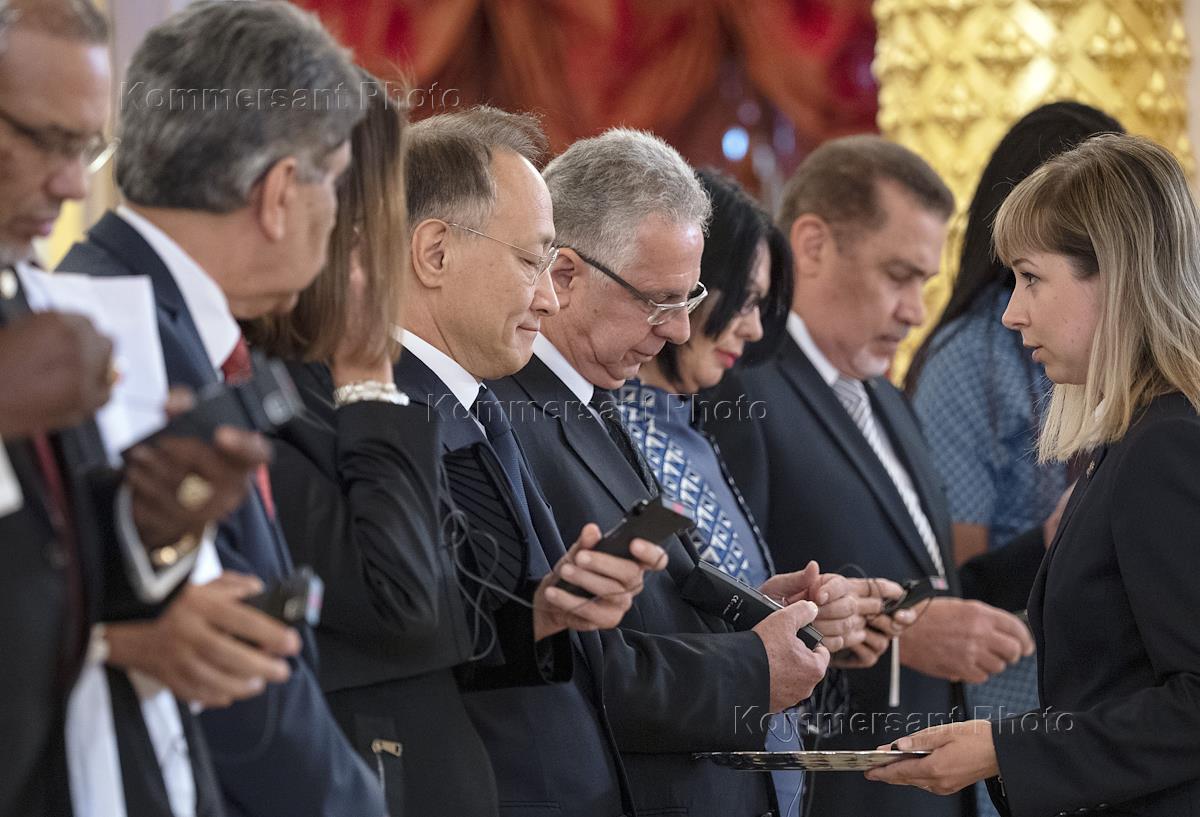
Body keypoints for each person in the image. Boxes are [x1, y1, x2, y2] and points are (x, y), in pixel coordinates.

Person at [58, 3, 387, 816]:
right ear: (278, 194)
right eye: (335, 181)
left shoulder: (144, 310)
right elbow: (231, 681)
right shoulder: (118, 335)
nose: (340, 215)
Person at [493, 127, 854, 817]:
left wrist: (752, 611)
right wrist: (752, 667)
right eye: (658, 300)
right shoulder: (506, 414)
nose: (680, 330)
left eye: (688, 300)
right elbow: (572, 666)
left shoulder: (589, 398)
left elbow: (646, 610)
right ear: (564, 276)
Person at [868, 132, 1200, 817]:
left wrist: (1005, 748)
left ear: (1113, 275)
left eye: (1031, 278)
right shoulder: (1141, 437)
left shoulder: (1165, 444)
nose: (1011, 312)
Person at [706, 135, 1034, 817]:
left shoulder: (885, 393)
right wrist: (899, 638)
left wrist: (1049, 543)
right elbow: (723, 611)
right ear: (813, 245)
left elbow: (930, 584)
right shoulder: (741, 387)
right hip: (831, 790)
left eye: (925, 283)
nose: (916, 310)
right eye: (898, 276)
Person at [0, 2, 275, 815]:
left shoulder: (34, 307)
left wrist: (156, 522)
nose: (70, 184)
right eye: (44, 140)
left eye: (86, 148)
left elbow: (51, 570)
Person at [387, 105, 664, 817]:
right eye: (531, 260)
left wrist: (555, 606)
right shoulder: (387, 419)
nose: (548, 297)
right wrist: (538, 613)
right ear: (435, 253)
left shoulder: (473, 403)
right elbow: (407, 650)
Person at [616, 167, 911, 816]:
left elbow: (701, 608)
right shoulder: (612, 430)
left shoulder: (693, 426)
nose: (752, 329)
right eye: (744, 300)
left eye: (761, 306)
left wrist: (799, 614)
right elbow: (623, 655)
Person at [902, 101, 1123, 817]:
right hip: (1014, 709)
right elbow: (953, 580)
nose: (1017, 312)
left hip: (1099, 725)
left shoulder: (1141, 393)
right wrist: (1057, 540)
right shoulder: (971, 360)